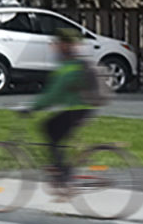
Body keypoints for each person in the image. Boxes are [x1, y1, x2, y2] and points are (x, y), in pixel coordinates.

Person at [29, 26, 103, 195]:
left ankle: (63, 176)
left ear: (64, 45)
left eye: (57, 43)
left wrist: (32, 108)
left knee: (48, 128)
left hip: (77, 109)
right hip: (83, 109)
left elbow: (54, 94)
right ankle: (63, 171)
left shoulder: (68, 67)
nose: (54, 46)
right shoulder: (75, 63)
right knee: (57, 134)